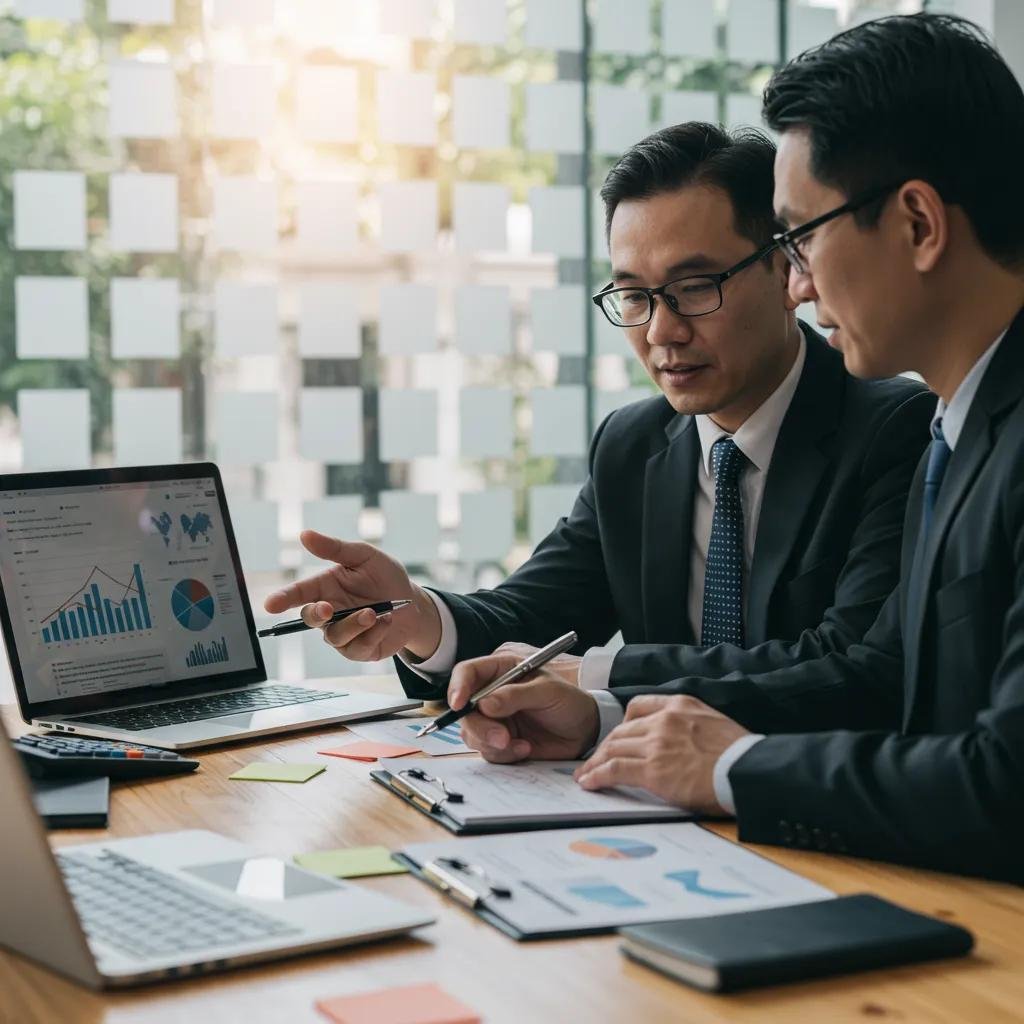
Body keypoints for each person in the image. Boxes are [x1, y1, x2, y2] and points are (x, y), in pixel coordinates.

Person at [452, 14, 1024, 883]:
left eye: (800, 239)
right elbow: (881, 674)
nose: (798, 281)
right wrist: (607, 716)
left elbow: (1004, 781)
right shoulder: (966, 427)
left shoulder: (929, 429)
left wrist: (727, 767)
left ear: (917, 223)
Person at [265, 123, 930, 704]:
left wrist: (597, 676)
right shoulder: (634, 446)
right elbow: (534, 615)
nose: (662, 332)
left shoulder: (896, 431)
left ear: (788, 272)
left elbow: (845, 665)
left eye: (694, 288)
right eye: (634, 296)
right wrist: (415, 618)